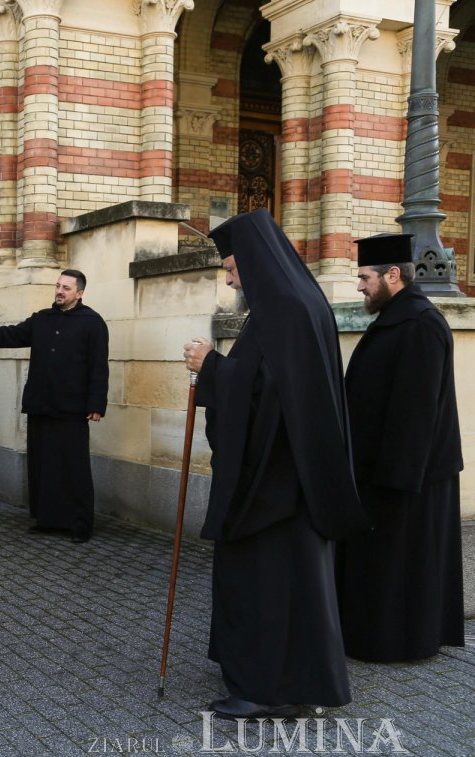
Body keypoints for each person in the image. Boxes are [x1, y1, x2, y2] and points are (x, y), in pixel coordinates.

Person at [181, 208, 368, 719]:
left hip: (275, 486)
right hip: (291, 479)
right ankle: (290, 684)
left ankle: (267, 691)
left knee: (267, 587)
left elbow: (274, 398)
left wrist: (212, 369)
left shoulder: (283, 309)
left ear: (257, 262)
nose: (229, 277)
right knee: (291, 588)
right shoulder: (298, 302)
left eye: (234, 268)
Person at [335, 233, 464, 662]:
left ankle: (399, 643)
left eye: (365, 277)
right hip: (385, 472)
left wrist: (394, 485)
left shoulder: (421, 325)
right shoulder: (397, 317)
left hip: (407, 478)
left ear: (394, 275)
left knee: (400, 565)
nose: (360, 286)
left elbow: (417, 411)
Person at [0, 269, 108, 541]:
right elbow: (15, 335)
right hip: (41, 404)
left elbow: (99, 366)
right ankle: (48, 518)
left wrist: (96, 403)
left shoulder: (92, 322)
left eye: (66, 287)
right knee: (43, 464)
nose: (60, 291)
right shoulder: (42, 318)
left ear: (80, 293)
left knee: (73, 467)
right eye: (58, 286)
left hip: (72, 408)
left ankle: (80, 524)